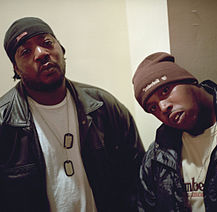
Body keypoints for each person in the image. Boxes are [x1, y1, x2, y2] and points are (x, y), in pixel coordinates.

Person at [0, 16, 145, 212]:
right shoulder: (4, 122)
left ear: (61, 49)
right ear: (16, 68)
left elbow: (138, 178)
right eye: (26, 51)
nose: (41, 53)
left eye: (47, 43)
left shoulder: (104, 107)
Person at [132, 52, 217, 212]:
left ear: (189, 81)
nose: (163, 107)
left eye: (165, 90)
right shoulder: (156, 158)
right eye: (153, 107)